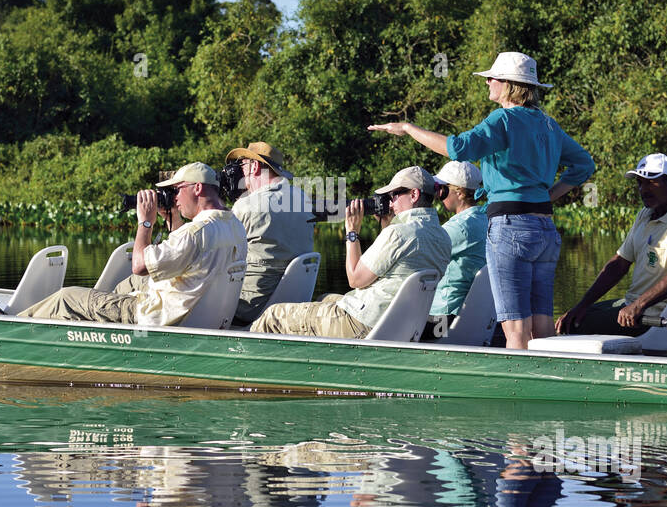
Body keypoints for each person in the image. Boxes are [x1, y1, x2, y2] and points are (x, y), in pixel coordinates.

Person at [368, 51, 594, 349]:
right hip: (545, 231)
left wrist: (409, 129)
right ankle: (545, 384)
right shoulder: (549, 125)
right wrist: (547, 197)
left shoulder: (502, 120)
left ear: (508, 84)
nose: (487, 81)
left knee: (515, 330)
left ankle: (518, 391)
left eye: (492, 78)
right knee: (541, 325)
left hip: (510, 227)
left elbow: (458, 148)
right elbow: (584, 166)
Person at [15, 162, 247, 325]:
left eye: (176, 190)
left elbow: (139, 264)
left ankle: (11, 326)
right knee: (132, 283)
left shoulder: (195, 232)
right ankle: (96, 312)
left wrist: (145, 223)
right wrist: (173, 220)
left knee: (66, 297)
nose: (173, 197)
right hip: (198, 315)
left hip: (155, 316)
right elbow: (188, 259)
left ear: (197, 188)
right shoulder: (234, 225)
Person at [249, 166, 451, 338]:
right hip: (399, 322)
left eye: (394, 195)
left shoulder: (398, 234)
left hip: (365, 323)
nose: (389, 203)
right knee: (325, 298)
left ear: (414, 195)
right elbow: (393, 272)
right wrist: (386, 227)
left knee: (272, 316)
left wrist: (352, 232)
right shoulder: (443, 237)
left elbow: (355, 279)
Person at [556, 153, 667, 336]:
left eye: (651, 182)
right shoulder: (645, 214)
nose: (643, 189)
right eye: (640, 183)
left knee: (576, 326)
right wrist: (582, 304)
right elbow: (619, 264)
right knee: (575, 315)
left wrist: (639, 304)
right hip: (632, 305)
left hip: (651, 315)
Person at [224, 141, 316, 325]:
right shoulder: (302, 199)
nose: (239, 172)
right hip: (293, 302)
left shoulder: (246, 206)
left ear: (255, 166)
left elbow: (220, 256)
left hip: (250, 308)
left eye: (242, 165)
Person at [424, 160, 488, 339]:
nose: (438, 194)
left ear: (459, 193)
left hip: (443, 318)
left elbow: (418, 253)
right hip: (468, 313)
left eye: (441, 189)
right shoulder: (485, 219)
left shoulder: (460, 227)